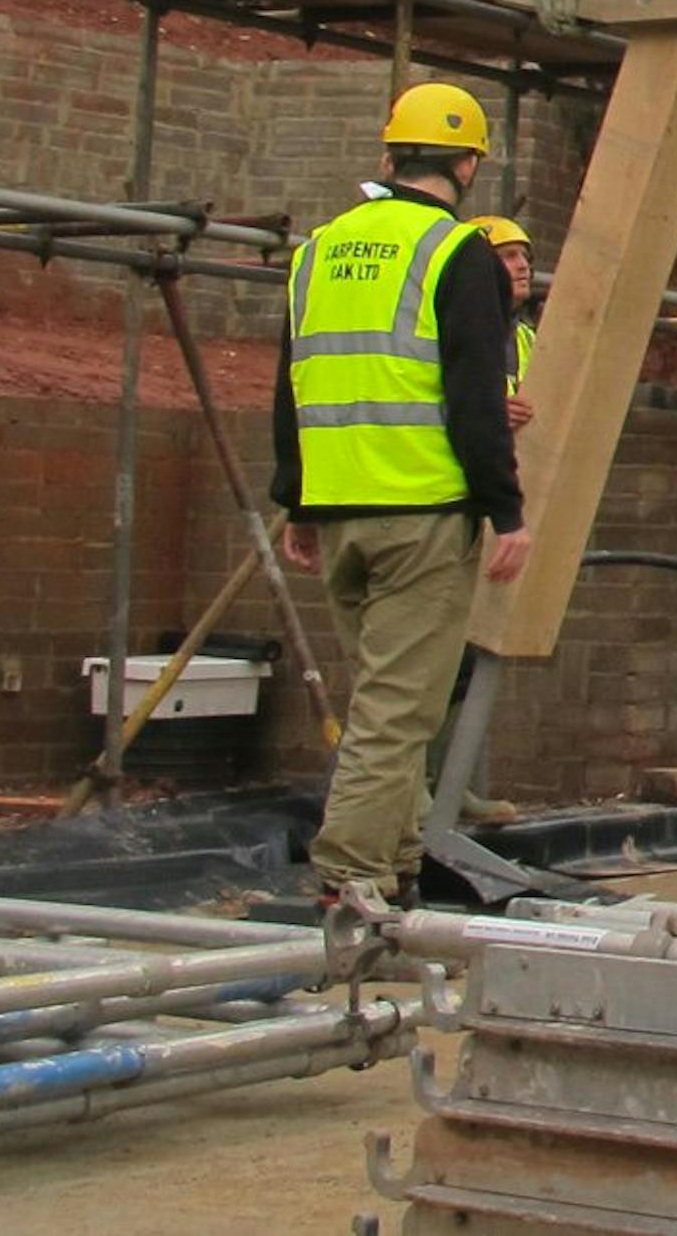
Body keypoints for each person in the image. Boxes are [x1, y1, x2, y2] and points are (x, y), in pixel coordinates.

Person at [269, 81, 532, 923]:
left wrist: (297, 499)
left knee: (388, 699)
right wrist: (507, 510)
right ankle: (350, 874)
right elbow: (475, 398)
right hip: (420, 507)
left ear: (388, 156)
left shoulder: (317, 249)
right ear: (466, 165)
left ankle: (400, 865)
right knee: (397, 710)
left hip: (338, 501)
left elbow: (294, 382)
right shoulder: (457, 255)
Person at [466, 213, 539, 434]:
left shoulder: (528, 338)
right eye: (509, 256)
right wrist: (486, 413)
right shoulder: (452, 331)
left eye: (525, 257)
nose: (523, 266)